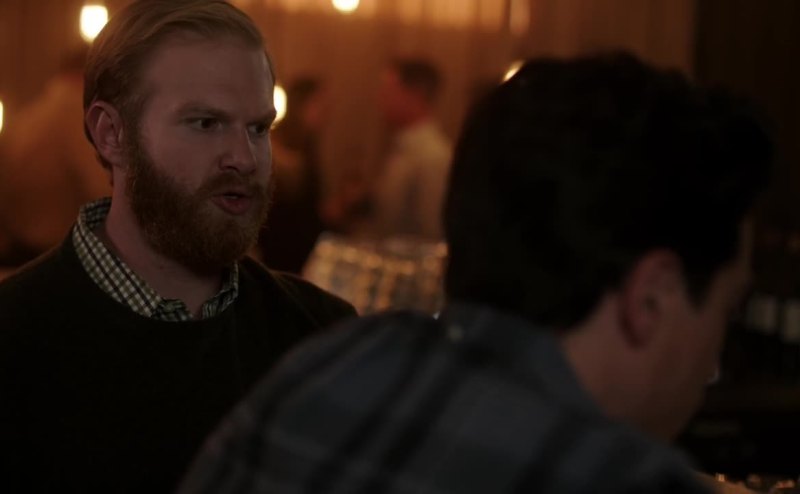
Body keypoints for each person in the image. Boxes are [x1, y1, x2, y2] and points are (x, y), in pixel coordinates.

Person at [177, 52, 773, 493]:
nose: (713, 361)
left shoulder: (325, 369)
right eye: (724, 309)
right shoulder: (626, 478)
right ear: (653, 298)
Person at [0, 1, 355, 492]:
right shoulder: (15, 341)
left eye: (258, 128)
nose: (245, 158)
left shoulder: (322, 337)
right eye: (206, 123)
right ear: (111, 134)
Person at [0, 46, 111, 265]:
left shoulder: (31, 115)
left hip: (21, 251)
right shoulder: (75, 115)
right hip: (58, 255)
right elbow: (102, 191)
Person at [331, 58, 452, 240]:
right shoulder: (403, 147)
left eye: (389, 91)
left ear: (415, 95)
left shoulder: (433, 157)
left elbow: (432, 235)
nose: (380, 99)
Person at [256, 77, 328, 274]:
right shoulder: (278, 149)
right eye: (319, 105)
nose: (326, 112)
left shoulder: (308, 146)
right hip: (281, 248)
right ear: (301, 106)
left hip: (303, 249)